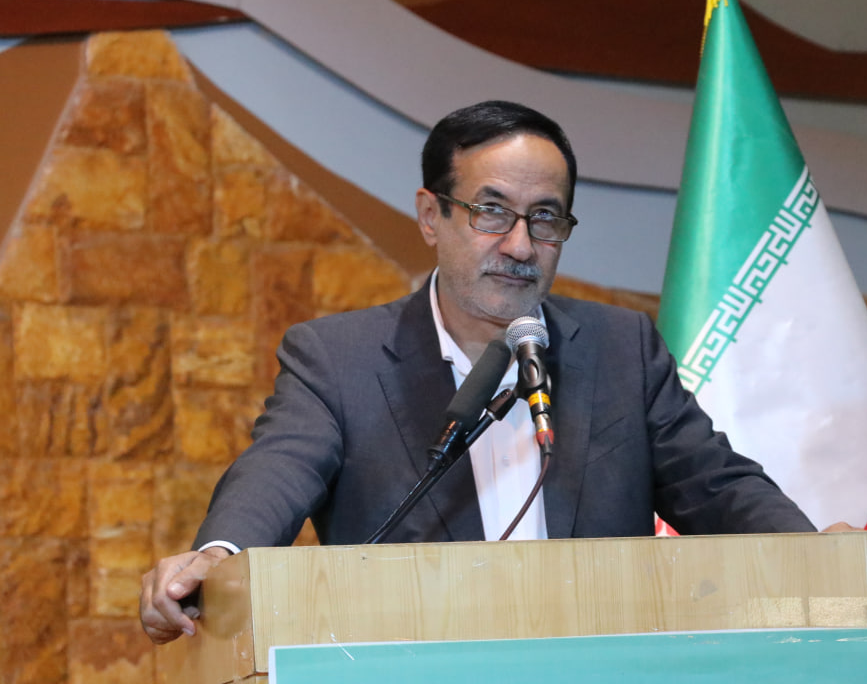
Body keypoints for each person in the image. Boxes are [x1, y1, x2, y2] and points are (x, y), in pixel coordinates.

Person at [140, 100, 821, 644]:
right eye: (491, 211)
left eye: (545, 218)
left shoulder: (621, 349)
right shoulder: (339, 359)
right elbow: (277, 471)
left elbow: (716, 485)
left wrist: (817, 555)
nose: (520, 244)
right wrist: (217, 556)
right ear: (430, 215)